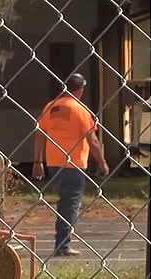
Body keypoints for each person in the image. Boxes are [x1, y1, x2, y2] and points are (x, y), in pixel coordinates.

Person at [32, 73, 109, 257]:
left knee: (64, 203)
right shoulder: (80, 110)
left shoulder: (50, 107)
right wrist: (102, 162)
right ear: (80, 90)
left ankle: (62, 241)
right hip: (74, 163)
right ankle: (63, 244)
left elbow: (40, 136)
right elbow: (93, 140)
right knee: (71, 204)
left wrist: (38, 161)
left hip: (54, 162)